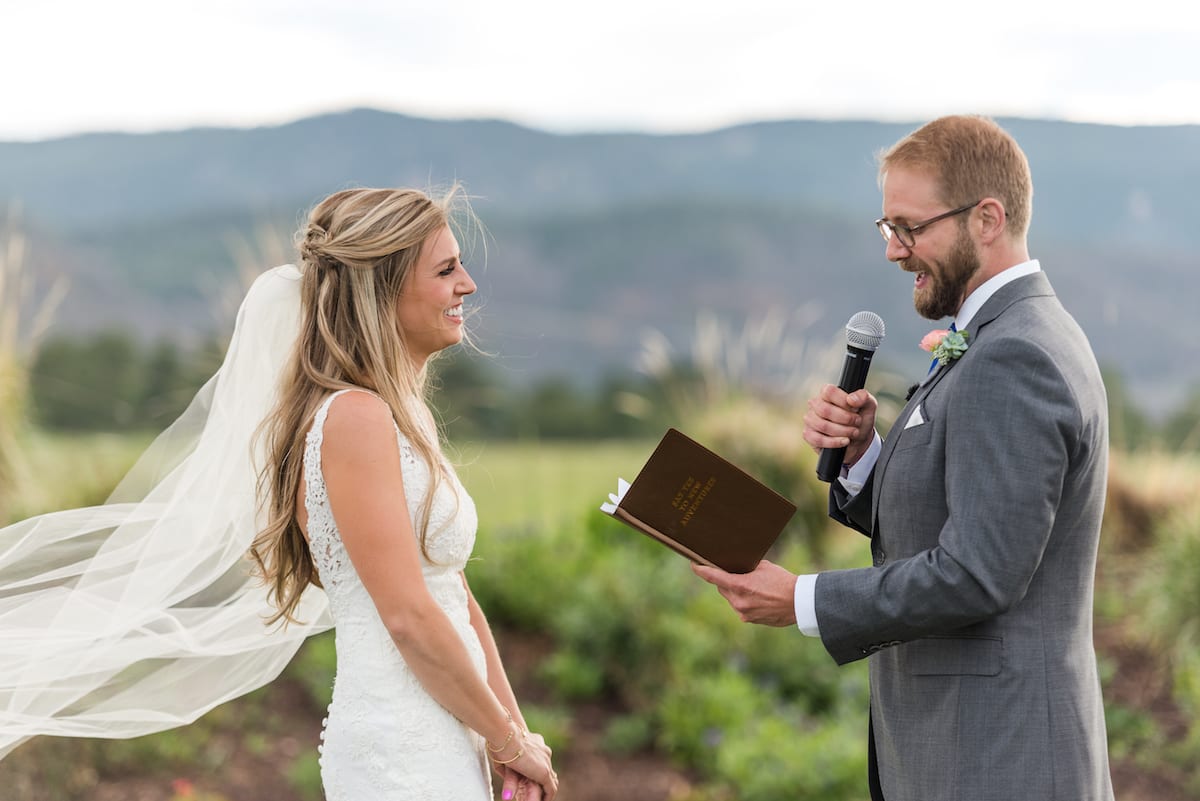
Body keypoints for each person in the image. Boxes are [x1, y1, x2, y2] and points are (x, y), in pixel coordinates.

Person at [0, 186, 557, 801]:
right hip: (402, 744)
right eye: (447, 269)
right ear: (383, 288)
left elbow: (453, 593)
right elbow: (407, 617)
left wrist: (512, 740)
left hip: (456, 727)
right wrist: (510, 741)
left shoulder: (404, 419)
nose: (468, 285)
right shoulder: (355, 419)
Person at [693, 116, 1113, 801]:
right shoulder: (1001, 336)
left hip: (1000, 761)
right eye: (887, 227)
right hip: (966, 752)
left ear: (986, 218)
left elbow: (978, 573)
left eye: (910, 228)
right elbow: (966, 509)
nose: (894, 251)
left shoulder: (1015, 354)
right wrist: (866, 458)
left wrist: (802, 598)